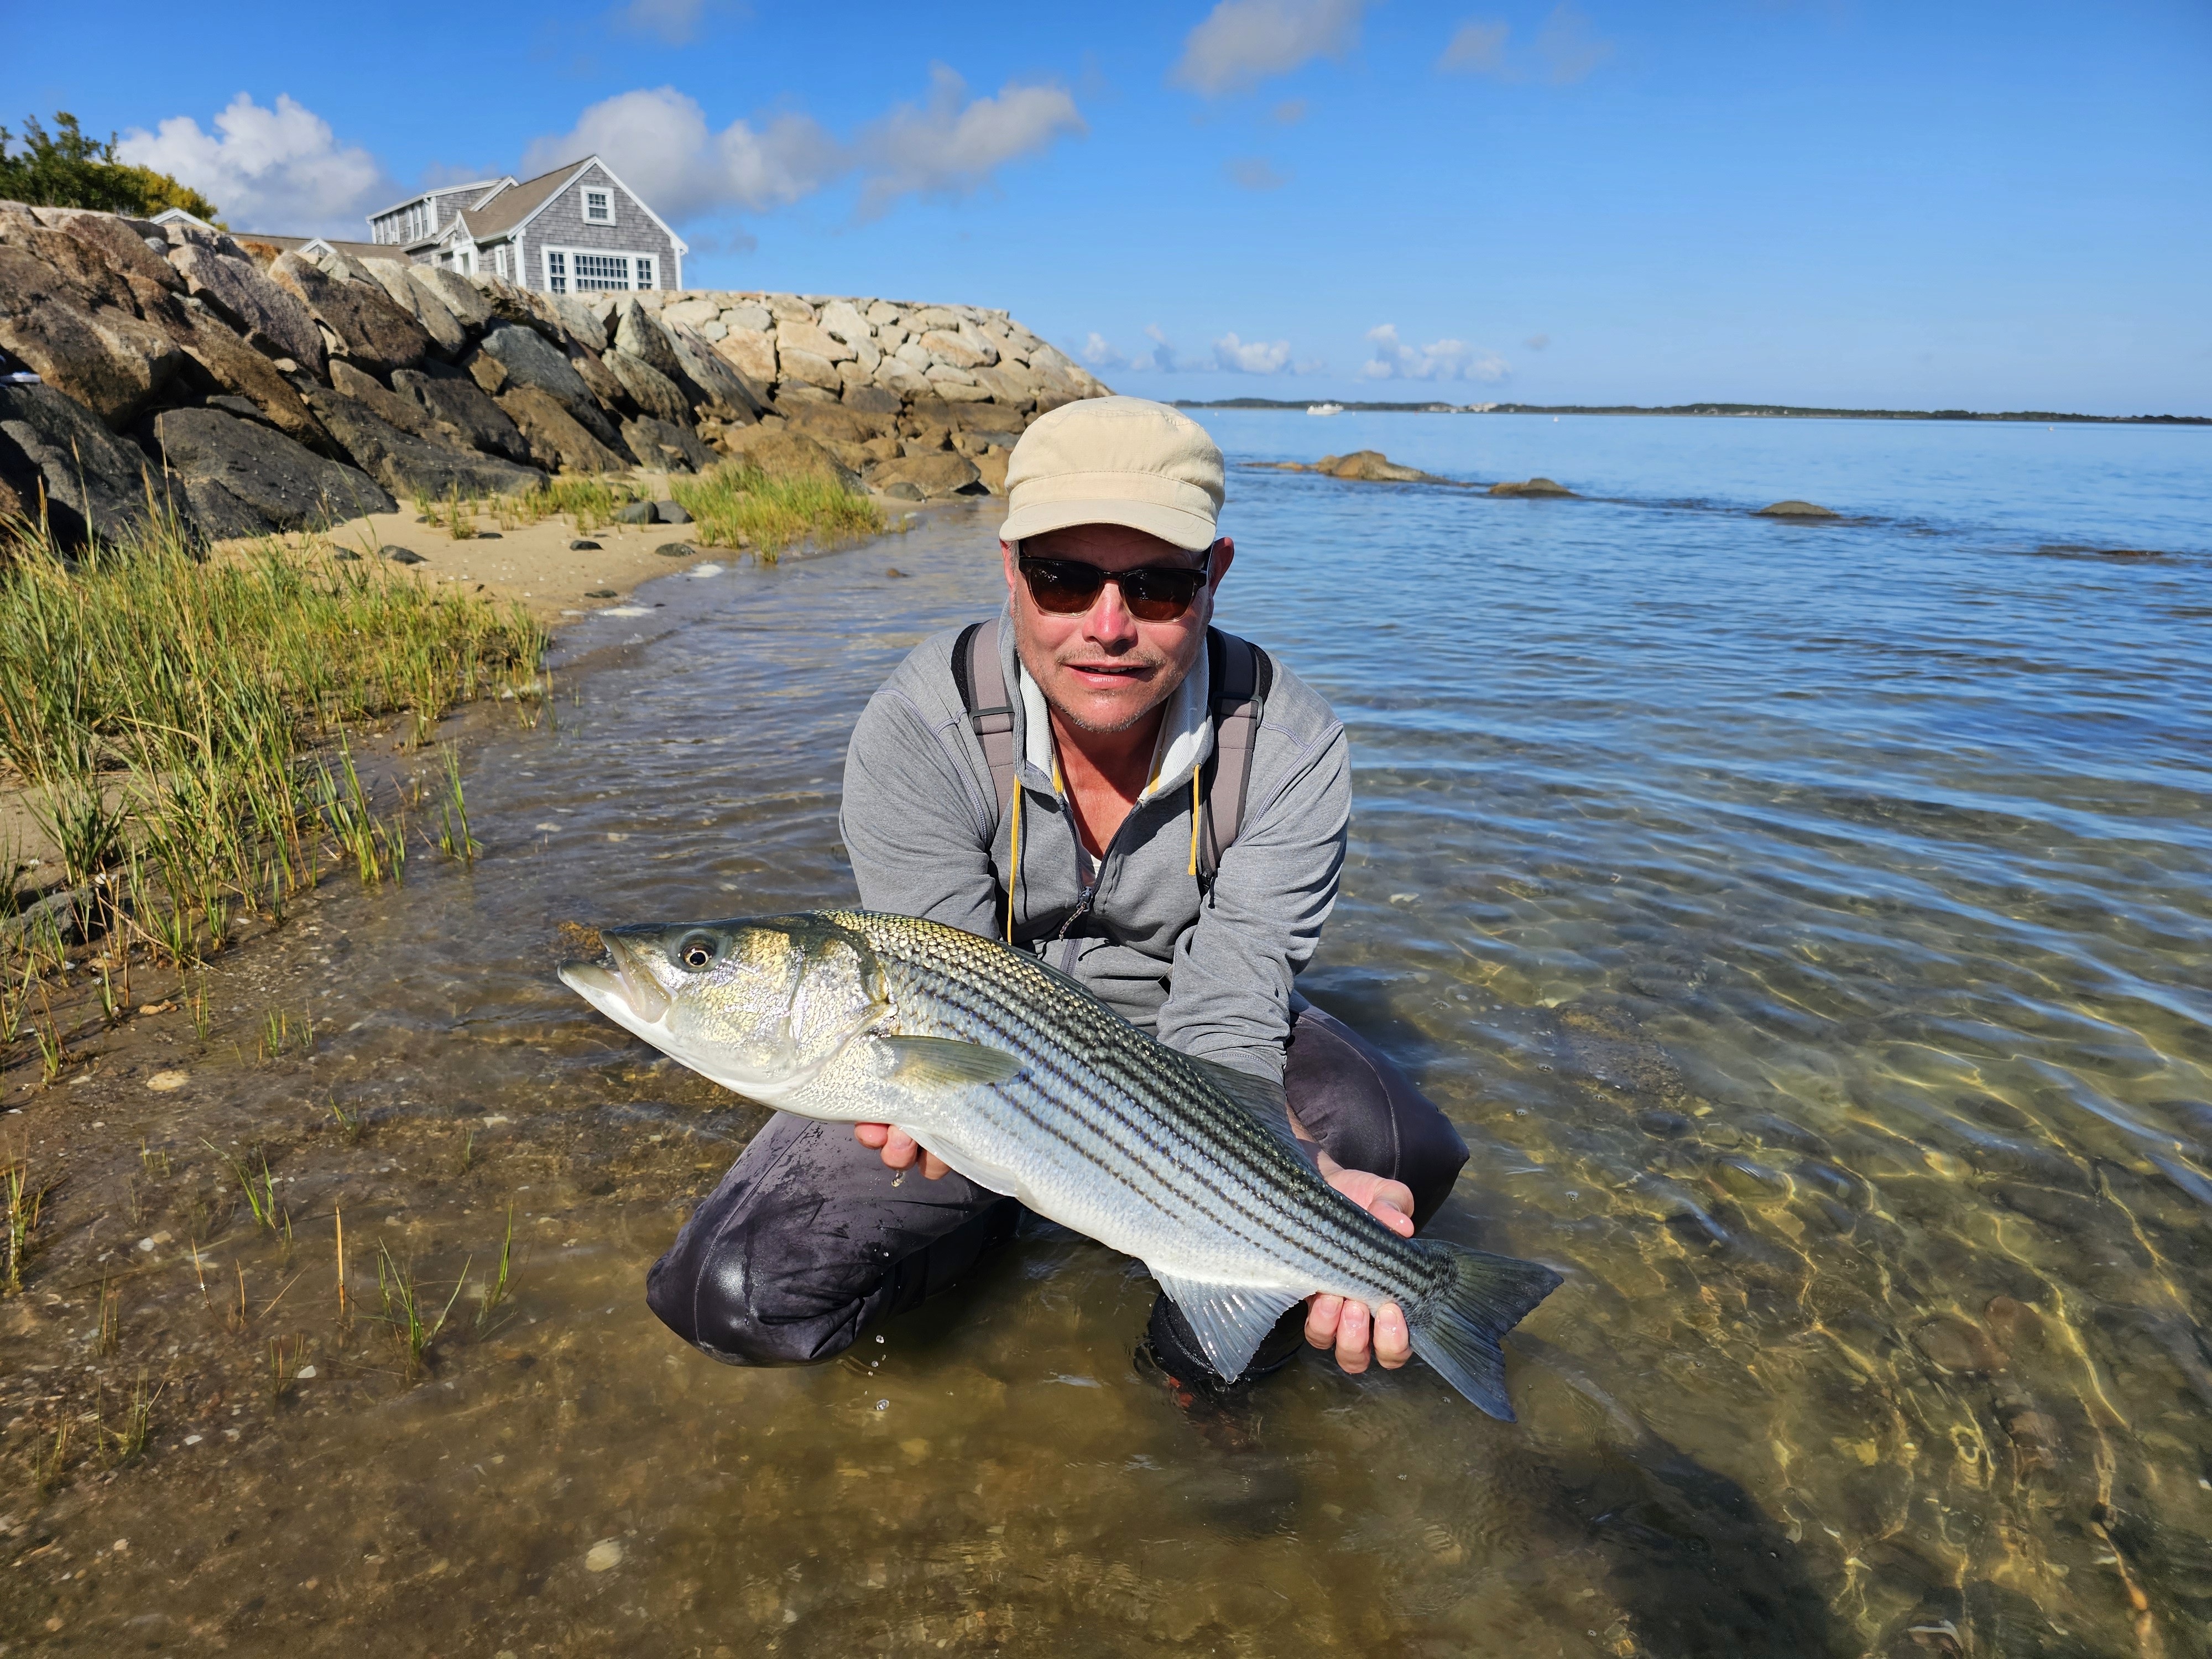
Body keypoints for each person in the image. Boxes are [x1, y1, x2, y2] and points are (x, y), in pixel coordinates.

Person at [646, 396, 1469, 1392]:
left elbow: (1234, 999)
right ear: (1010, 569)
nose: (1108, 627)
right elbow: (942, 988)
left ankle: (1194, 1361)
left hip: (1184, 1051)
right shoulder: (918, 727)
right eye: (1063, 578)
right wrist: (1012, 1142)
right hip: (981, 1056)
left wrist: (1291, 1179)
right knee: (726, 1292)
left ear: (1215, 577)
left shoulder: (1293, 749)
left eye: (1159, 585)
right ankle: (1003, 1229)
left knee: (1400, 1149)